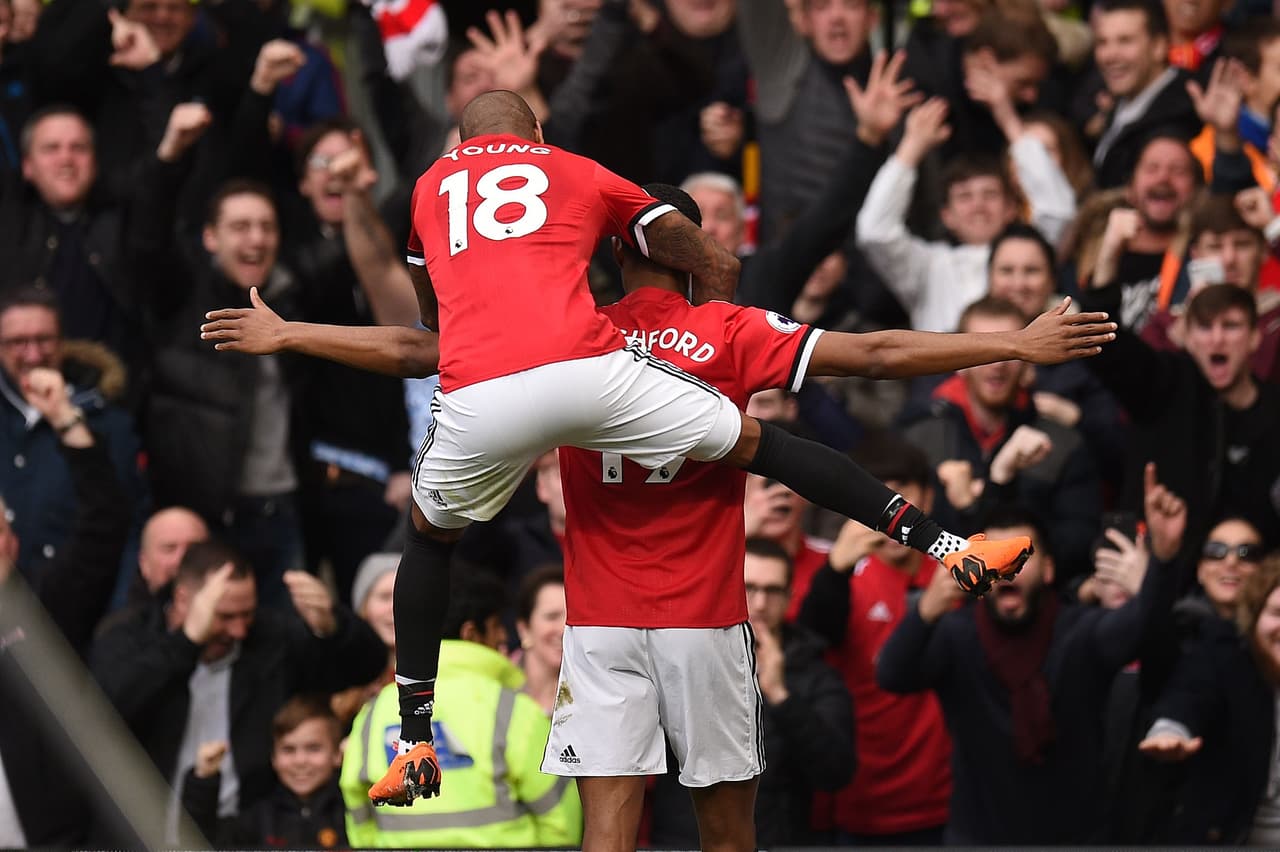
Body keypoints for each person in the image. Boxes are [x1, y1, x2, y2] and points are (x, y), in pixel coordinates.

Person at [203, 180, 1113, 851]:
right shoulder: (729, 331)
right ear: (688, 250)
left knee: (610, 833)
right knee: (728, 830)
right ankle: (946, 544)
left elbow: (415, 347)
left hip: (597, 623)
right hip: (703, 619)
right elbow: (876, 351)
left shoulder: (564, 344)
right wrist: (1013, 341)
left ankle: (415, 734)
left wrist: (289, 333)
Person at [877, 465, 1185, 844]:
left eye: (1019, 556)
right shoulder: (956, 636)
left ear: (1050, 569)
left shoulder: (1079, 632)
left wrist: (1165, 558)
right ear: (971, 569)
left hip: (1077, 837)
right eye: (993, 555)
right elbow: (892, 675)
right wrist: (926, 610)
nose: (1006, 569)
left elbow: (1142, 629)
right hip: (979, 837)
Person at [89, 538, 386, 845]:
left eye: (247, 614)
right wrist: (187, 642)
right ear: (182, 599)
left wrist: (332, 625)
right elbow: (108, 709)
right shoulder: (130, 635)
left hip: (241, 835)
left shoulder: (270, 640)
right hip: (135, 832)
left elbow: (365, 667)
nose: (239, 630)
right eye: (225, 616)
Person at [340, 568, 583, 848]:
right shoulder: (515, 710)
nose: (502, 636)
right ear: (471, 633)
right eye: (496, 627)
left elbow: (356, 807)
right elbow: (560, 822)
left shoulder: (376, 710)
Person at [648, 538, 855, 847]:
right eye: (748, 588)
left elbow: (837, 772)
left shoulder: (814, 671)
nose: (759, 604)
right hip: (682, 842)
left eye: (772, 591)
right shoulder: (675, 659)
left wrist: (781, 695)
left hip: (775, 841)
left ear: (789, 597)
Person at [797, 438, 953, 845]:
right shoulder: (843, 580)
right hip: (861, 804)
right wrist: (834, 571)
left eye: (900, 494)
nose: (890, 513)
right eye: (874, 495)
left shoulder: (952, 580)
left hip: (948, 800)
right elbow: (810, 645)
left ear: (928, 499)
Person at [0, 365, 132, 846]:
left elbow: (105, 523)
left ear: (12, 542)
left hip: (51, 835)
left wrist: (65, 420)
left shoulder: (46, 604)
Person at [1078, 281, 1280, 562]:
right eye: (1205, 327)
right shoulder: (1162, 385)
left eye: (1231, 326)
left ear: (1255, 338)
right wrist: (1107, 264)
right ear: (1187, 337)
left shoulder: (1273, 410)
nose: (1217, 339)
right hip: (1155, 571)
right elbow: (1105, 344)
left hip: (1250, 575)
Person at [902, 297, 1103, 577]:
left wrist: (988, 500)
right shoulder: (918, 438)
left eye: (1009, 351)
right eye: (983, 350)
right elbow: (898, 542)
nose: (996, 364)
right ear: (959, 363)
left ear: (1027, 363)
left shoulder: (1064, 443)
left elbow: (1080, 542)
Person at [0, 286, 142, 580]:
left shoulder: (108, 423)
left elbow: (128, 527)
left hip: (76, 607)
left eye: (44, 340)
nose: (33, 354)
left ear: (63, 343)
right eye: (17, 342)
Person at [1138, 555, 1280, 844]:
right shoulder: (1226, 657)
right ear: (1254, 619)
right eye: (1277, 613)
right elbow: (1189, 696)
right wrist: (1170, 731)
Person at [181, 696, 348, 848]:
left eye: (313, 748)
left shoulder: (352, 809)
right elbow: (203, 841)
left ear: (337, 754)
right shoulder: (259, 817)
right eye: (288, 750)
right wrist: (203, 780)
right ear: (273, 758)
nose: (300, 761)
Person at [1090, 0, 1201, 189]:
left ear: (1159, 46)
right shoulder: (1120, 104)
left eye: (1125, 41)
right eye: (1102, 42)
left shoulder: (1187, 114)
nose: (1110, 55)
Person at [514, 564, 566, 716]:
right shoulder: (500, 687)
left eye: (572, 619)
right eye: (552, 616)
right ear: (524, 629)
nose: (564, 629)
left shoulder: (593, 695)